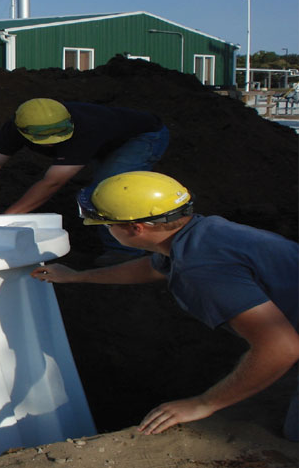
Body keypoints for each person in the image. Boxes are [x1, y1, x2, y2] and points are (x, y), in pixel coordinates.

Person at [30, 171, 299, 441]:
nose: (106, 230)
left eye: (107, 224)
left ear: (136, 228)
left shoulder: (201, 269)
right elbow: (154, 267)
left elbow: (281, 347)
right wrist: (77, 276)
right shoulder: (202, 234)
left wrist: (203, 404)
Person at [0, 98, 169, 265]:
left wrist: (6, 219)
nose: (52, 144)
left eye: (57, 138)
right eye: (44, 140)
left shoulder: (87, 128)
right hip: (107, 141)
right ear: (21, 130)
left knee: (110, 190)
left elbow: (52, 183)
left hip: (141, 137)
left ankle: (125, 253)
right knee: (102, 186)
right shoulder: (12, 128)